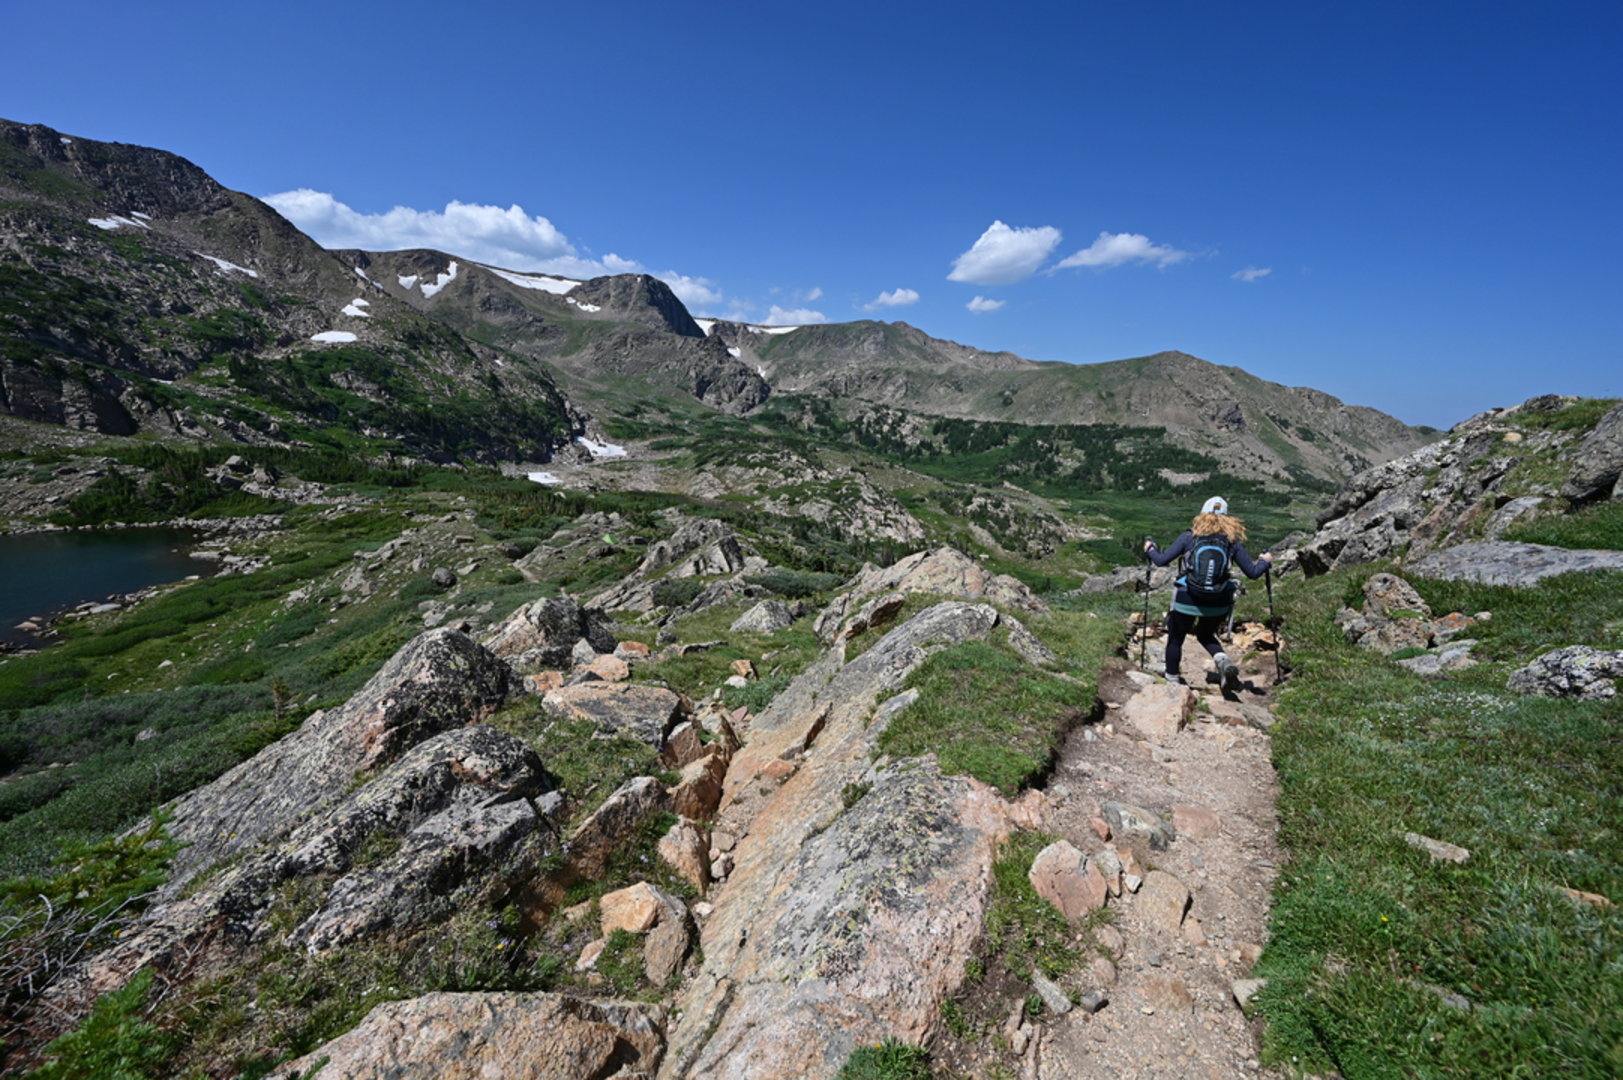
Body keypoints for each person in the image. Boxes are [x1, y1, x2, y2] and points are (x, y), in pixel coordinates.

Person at [1143, 496, 1272, 691]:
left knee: (1176, 638)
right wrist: (1265, 561)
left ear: (1202, 514)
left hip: (1188, 596)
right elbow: (1253, 573)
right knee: (1205, 634)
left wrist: (1150, 549)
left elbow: (1161, 561)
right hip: (1218, 601)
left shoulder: (1190, 537)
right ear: (1228, 518)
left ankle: (1172, 682)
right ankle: (1222, 661)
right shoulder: (1232, 542)